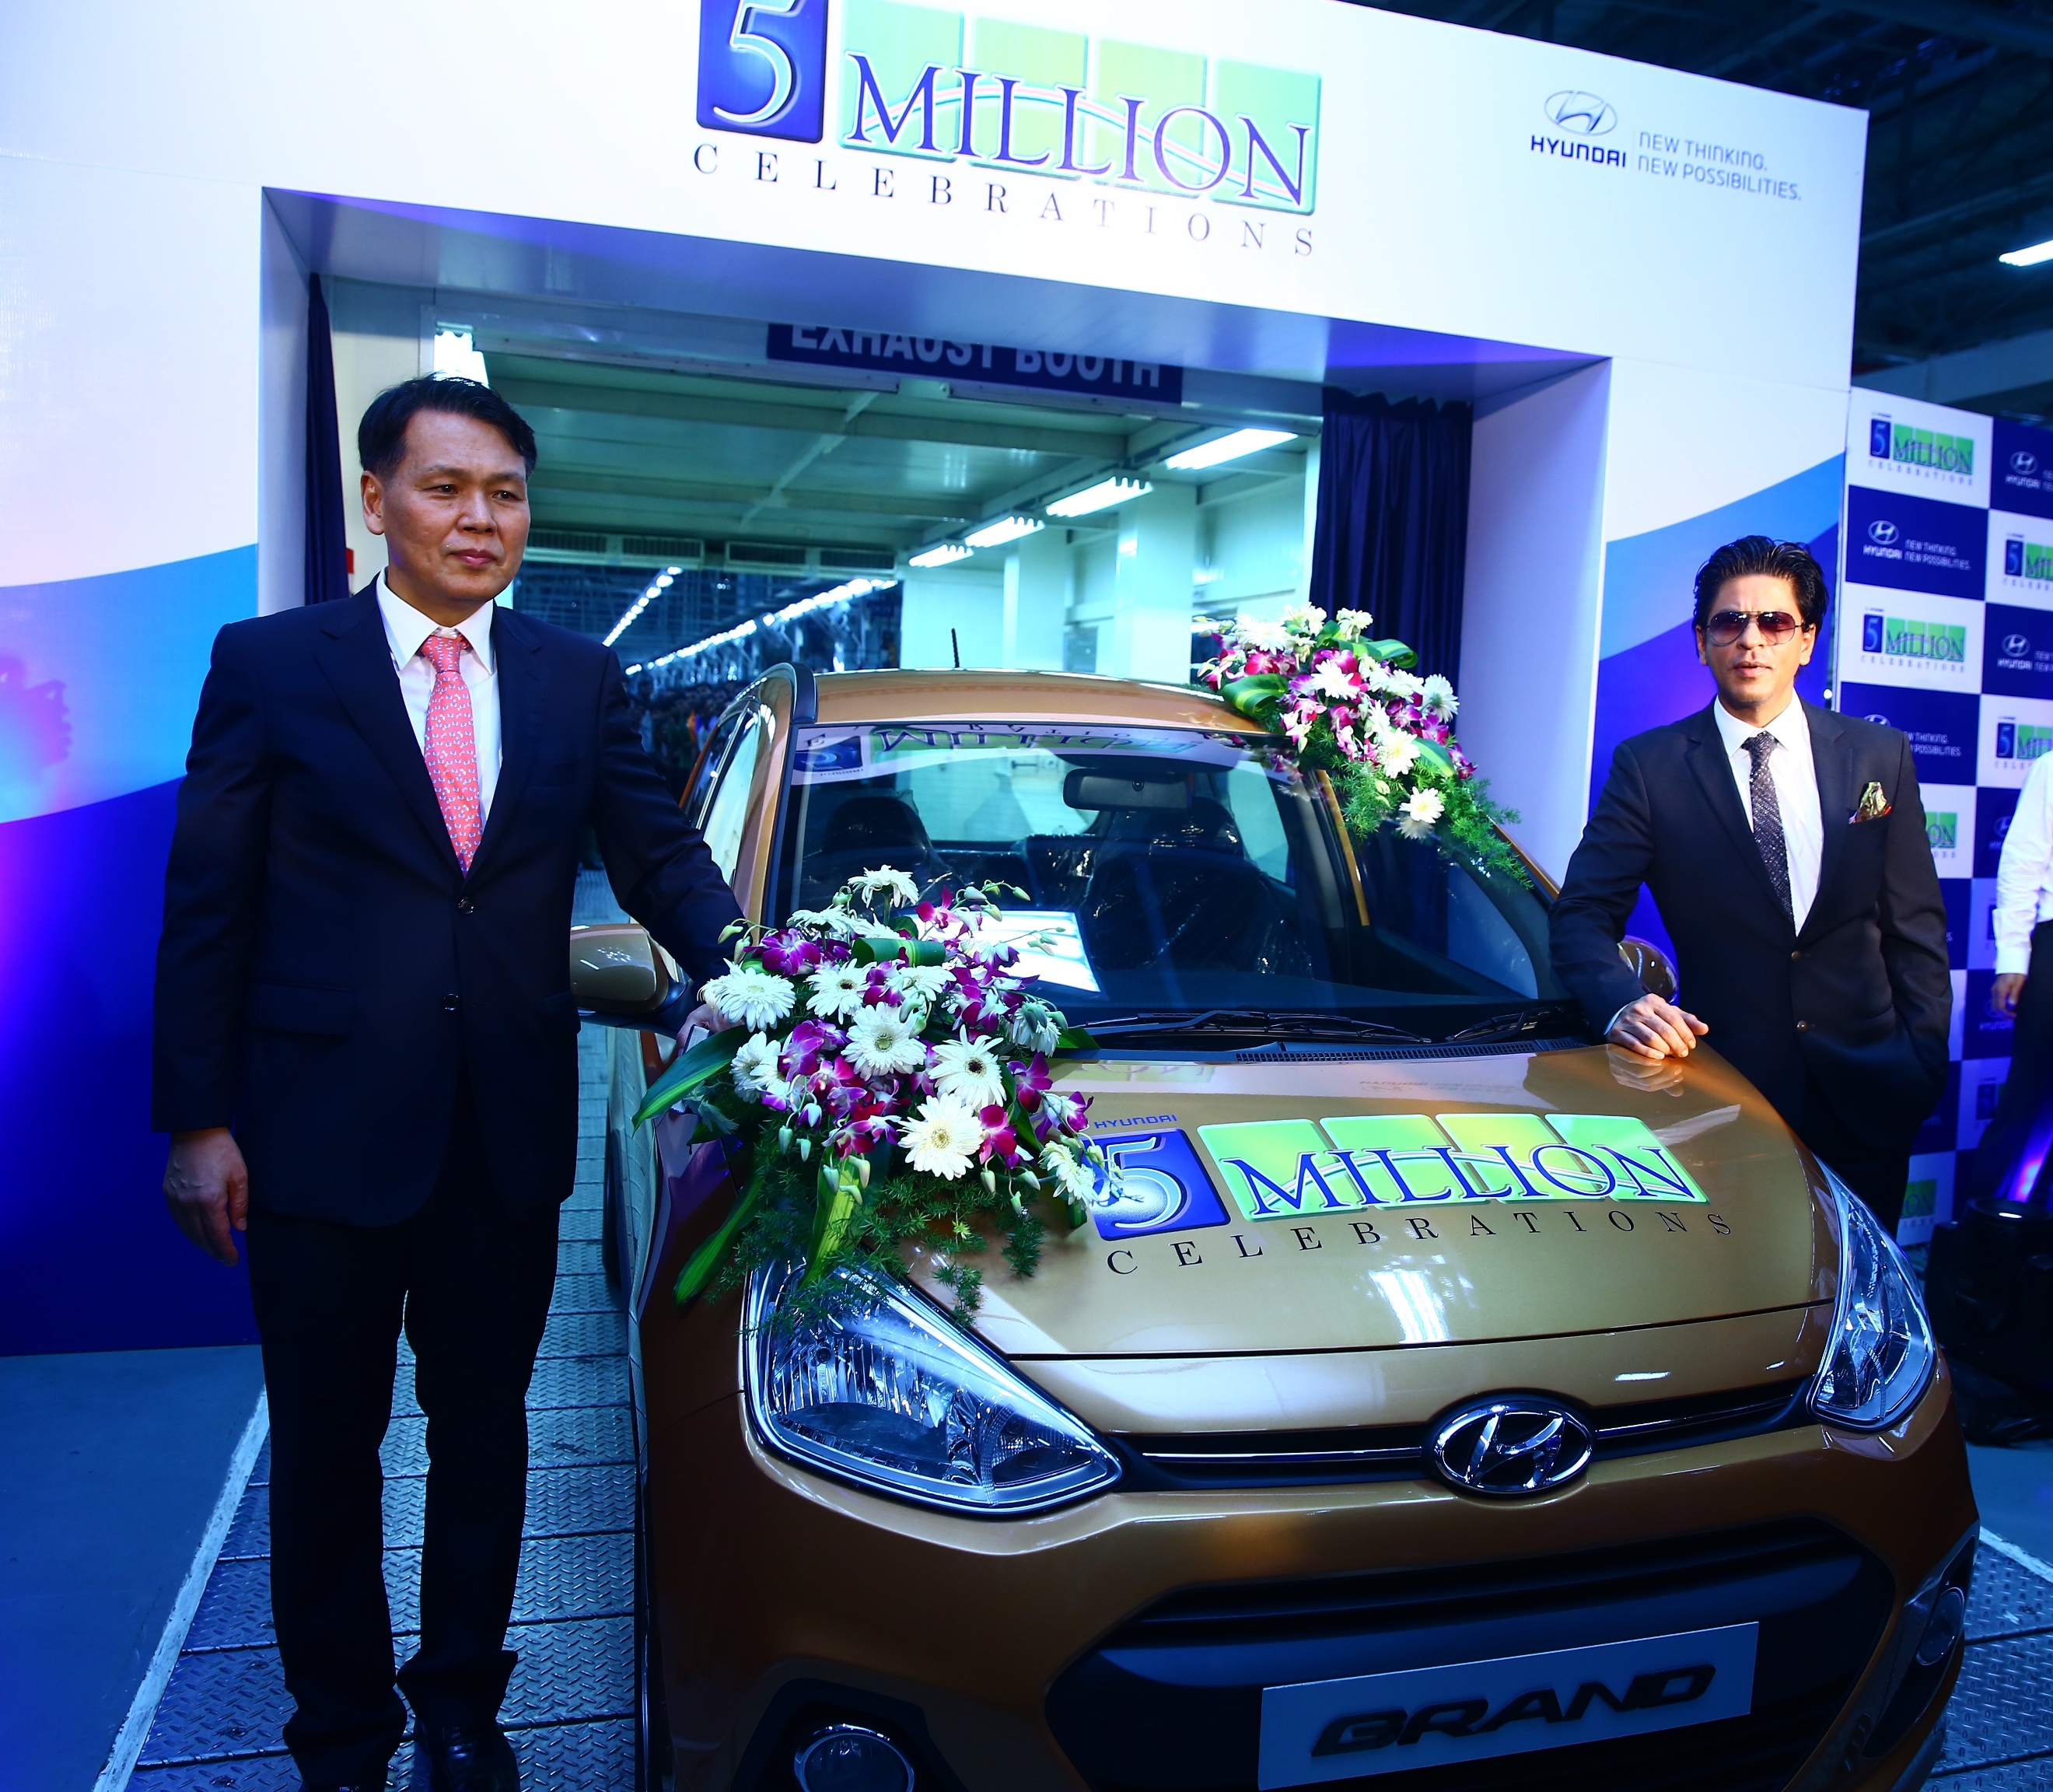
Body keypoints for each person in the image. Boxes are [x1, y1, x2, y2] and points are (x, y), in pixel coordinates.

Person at [152, 377, 743, 1792]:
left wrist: (766, 974)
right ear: (377, 500)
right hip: (315, 1133)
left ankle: (465, 1708)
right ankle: (341, 1734)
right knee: (328, 1449)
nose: (480, 518)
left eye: (507, 494)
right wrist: (198, 1118)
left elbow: (659, 856)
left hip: (504, 1129)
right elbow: (209, 900)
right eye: (446, 487)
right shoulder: (273, 664)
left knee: (486, 1436)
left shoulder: (573, 676)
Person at [1549, 535, 1950, 1230]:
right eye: (1729, 622)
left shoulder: (1878, 755)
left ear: (1806, 640)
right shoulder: (1651, 767)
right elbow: (1582, 915)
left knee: (1864, 1286)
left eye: (1775, 622)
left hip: (1871, 1094)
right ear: (1701, 642)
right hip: (1726, 1097)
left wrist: (1919, 1068)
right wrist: (1622, 1003)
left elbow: (1915, 926)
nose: (1751, 640)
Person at [1973, 748, 2053, 1204]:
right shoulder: (2051, 768)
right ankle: (1987, 1229)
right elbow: (2023, 862)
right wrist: (2013, 959)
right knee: (2030, 1096)